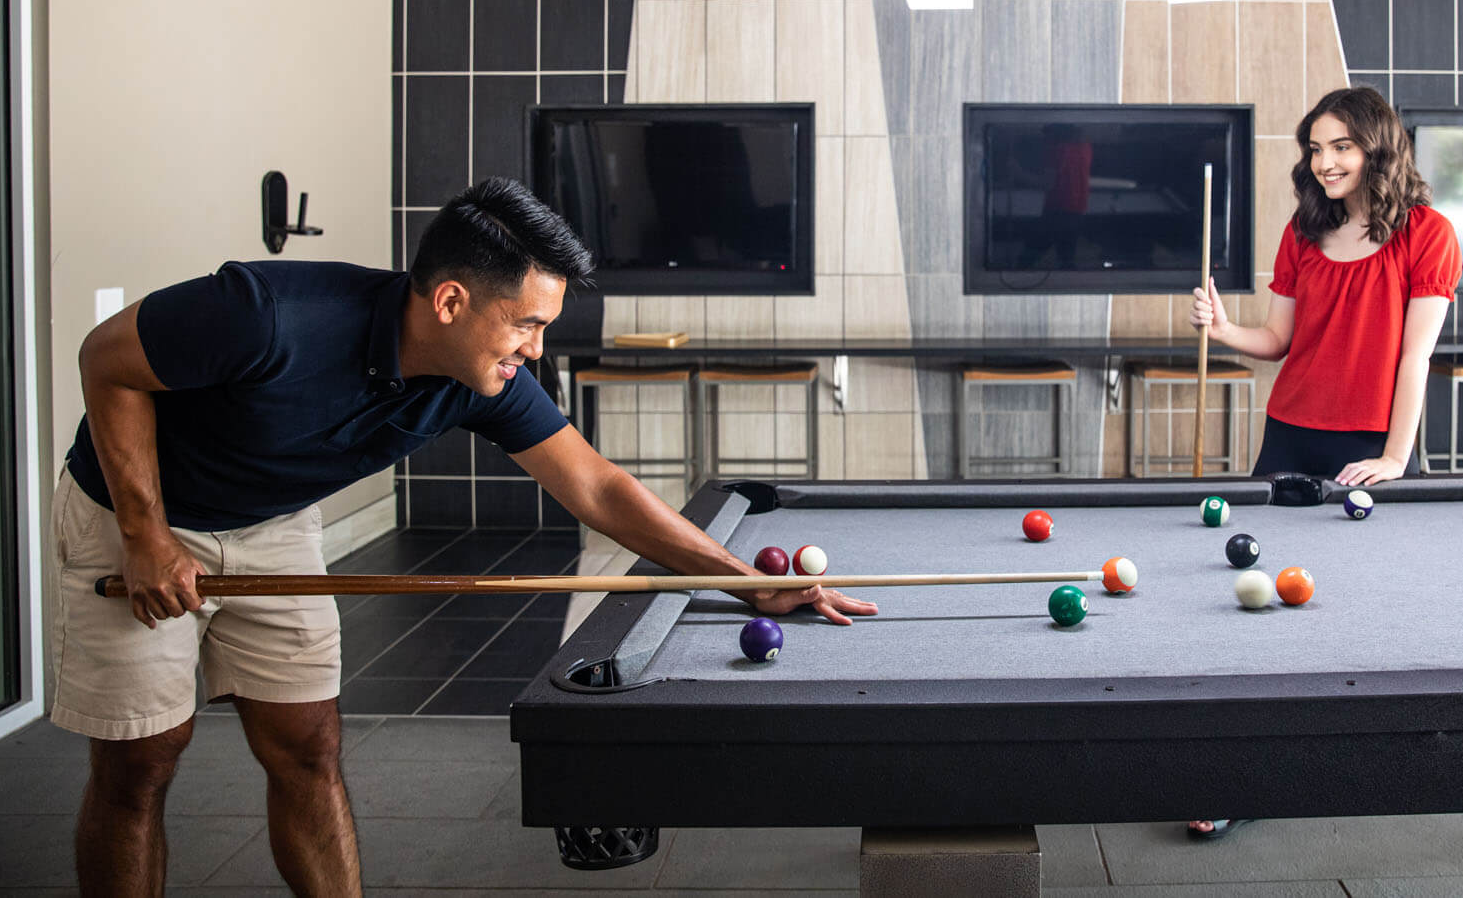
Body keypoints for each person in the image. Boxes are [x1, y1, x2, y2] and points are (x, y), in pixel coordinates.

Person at [53, 177, 876, 896]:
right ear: (451, 300)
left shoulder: (478, 377)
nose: (536, 348)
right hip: (134, 510)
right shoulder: (267, 315)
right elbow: (107, 360)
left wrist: (745, 581)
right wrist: (146, 533)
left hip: (271, 519)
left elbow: (597, 486)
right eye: (525, 323)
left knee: (308, 745)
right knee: (142, 761)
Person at [1182, 85, 1460, 841]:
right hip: (1290, 436)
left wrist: (1396, 456)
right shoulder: (1302, 232)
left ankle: (1360, 764)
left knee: (1369, 613)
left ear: (1377, 146)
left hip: (1372, 447)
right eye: (1315, 147)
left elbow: (1415, 356)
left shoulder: (1427, 234)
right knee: (1256, 605)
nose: (1326, 160)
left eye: (1341, 145)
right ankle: (1238, 775)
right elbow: (1278, 342)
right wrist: (1225, 325)